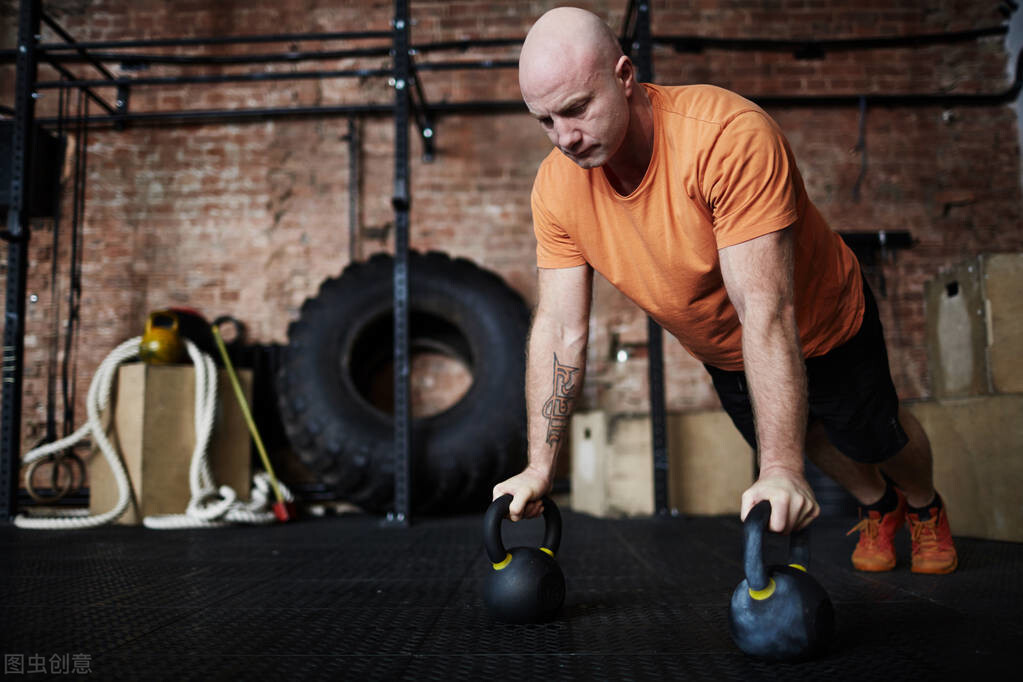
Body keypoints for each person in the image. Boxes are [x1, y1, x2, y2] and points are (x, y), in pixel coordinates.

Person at [492, 6, 957, 575]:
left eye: (577, 109)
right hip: (725, 351)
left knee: (874, 436)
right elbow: (561, 328)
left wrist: (778, 469)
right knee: (812, 437)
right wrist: (540, 466)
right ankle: (878, 506)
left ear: (624, 75)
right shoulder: (556, 189)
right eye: (545, 121)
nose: (564, 137)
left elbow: (766, 311)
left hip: (821, 321)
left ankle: (922, 505)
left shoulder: (727, 138)